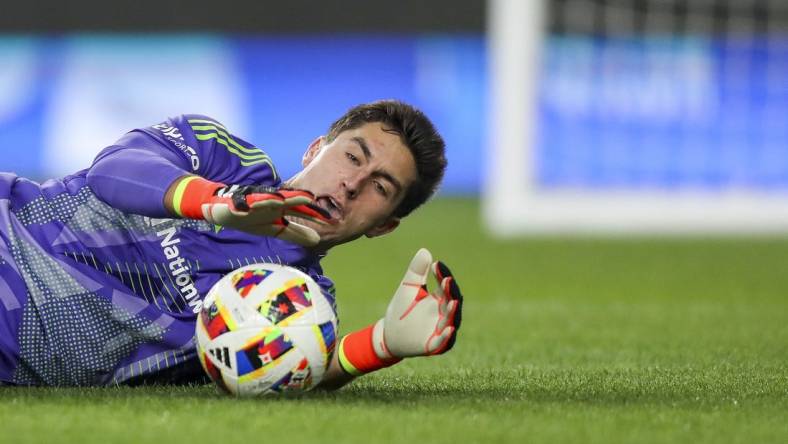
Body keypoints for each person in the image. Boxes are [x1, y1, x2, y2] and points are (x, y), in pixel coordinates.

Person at [0, 99, 463, 388]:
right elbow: (113, 170)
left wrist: (378, 346)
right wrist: (219, 202)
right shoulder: (222, 158)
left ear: (382, 226)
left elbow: (276, 373)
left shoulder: (301, 303)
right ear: (314, 149)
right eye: (350, 156)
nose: (351, 184)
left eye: (380, 188)